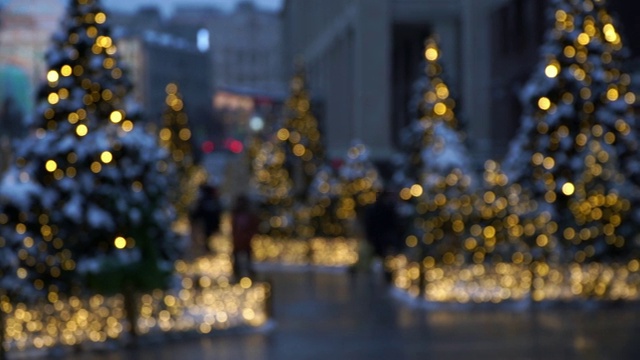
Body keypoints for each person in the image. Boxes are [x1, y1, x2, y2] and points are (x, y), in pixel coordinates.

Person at [231, 194, 260, 279]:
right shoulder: (236, 215)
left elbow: (254, 226)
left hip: (246, 240)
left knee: (248, 256)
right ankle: (237, 271)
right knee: (237, 256)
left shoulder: (250, 215)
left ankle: (249, 271)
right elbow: (234, 227)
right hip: (238, 240)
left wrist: (249, 235)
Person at [190, 184, 222, 256]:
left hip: (208, 224)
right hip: (207, 224)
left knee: (208, 237)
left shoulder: (209, 200)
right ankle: (207, 250)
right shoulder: (210, 201)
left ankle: (207, 250)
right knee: (207, 237)